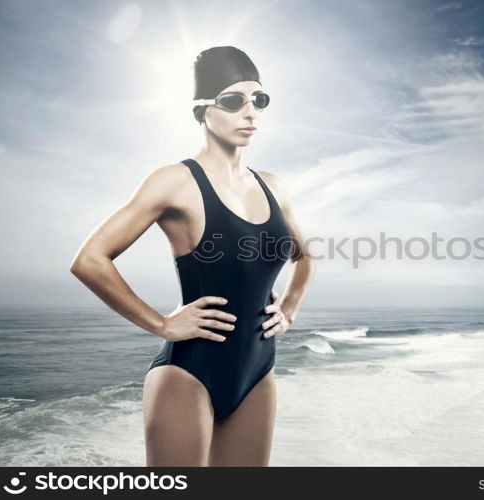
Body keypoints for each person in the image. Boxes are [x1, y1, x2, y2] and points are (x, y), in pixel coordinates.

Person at [70, 46, 315, 466]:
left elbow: (304, 255)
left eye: (259, 100)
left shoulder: (274, 186)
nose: (251, 112)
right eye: (234, 101)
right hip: (188, 374)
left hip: (257, 372)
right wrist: (162, 324)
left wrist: (289, 308)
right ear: (202, 110)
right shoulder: (175, 182)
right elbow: (90, 259)